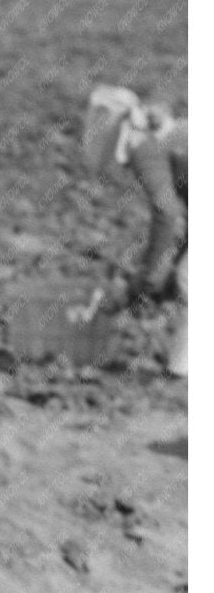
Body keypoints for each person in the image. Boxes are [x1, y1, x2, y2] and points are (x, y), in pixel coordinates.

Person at [82, 85, 188, 376]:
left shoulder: (143, 147)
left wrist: (142, 281)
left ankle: (182, 373)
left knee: (190, 280)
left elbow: (166, 214)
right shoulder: (167, 136)